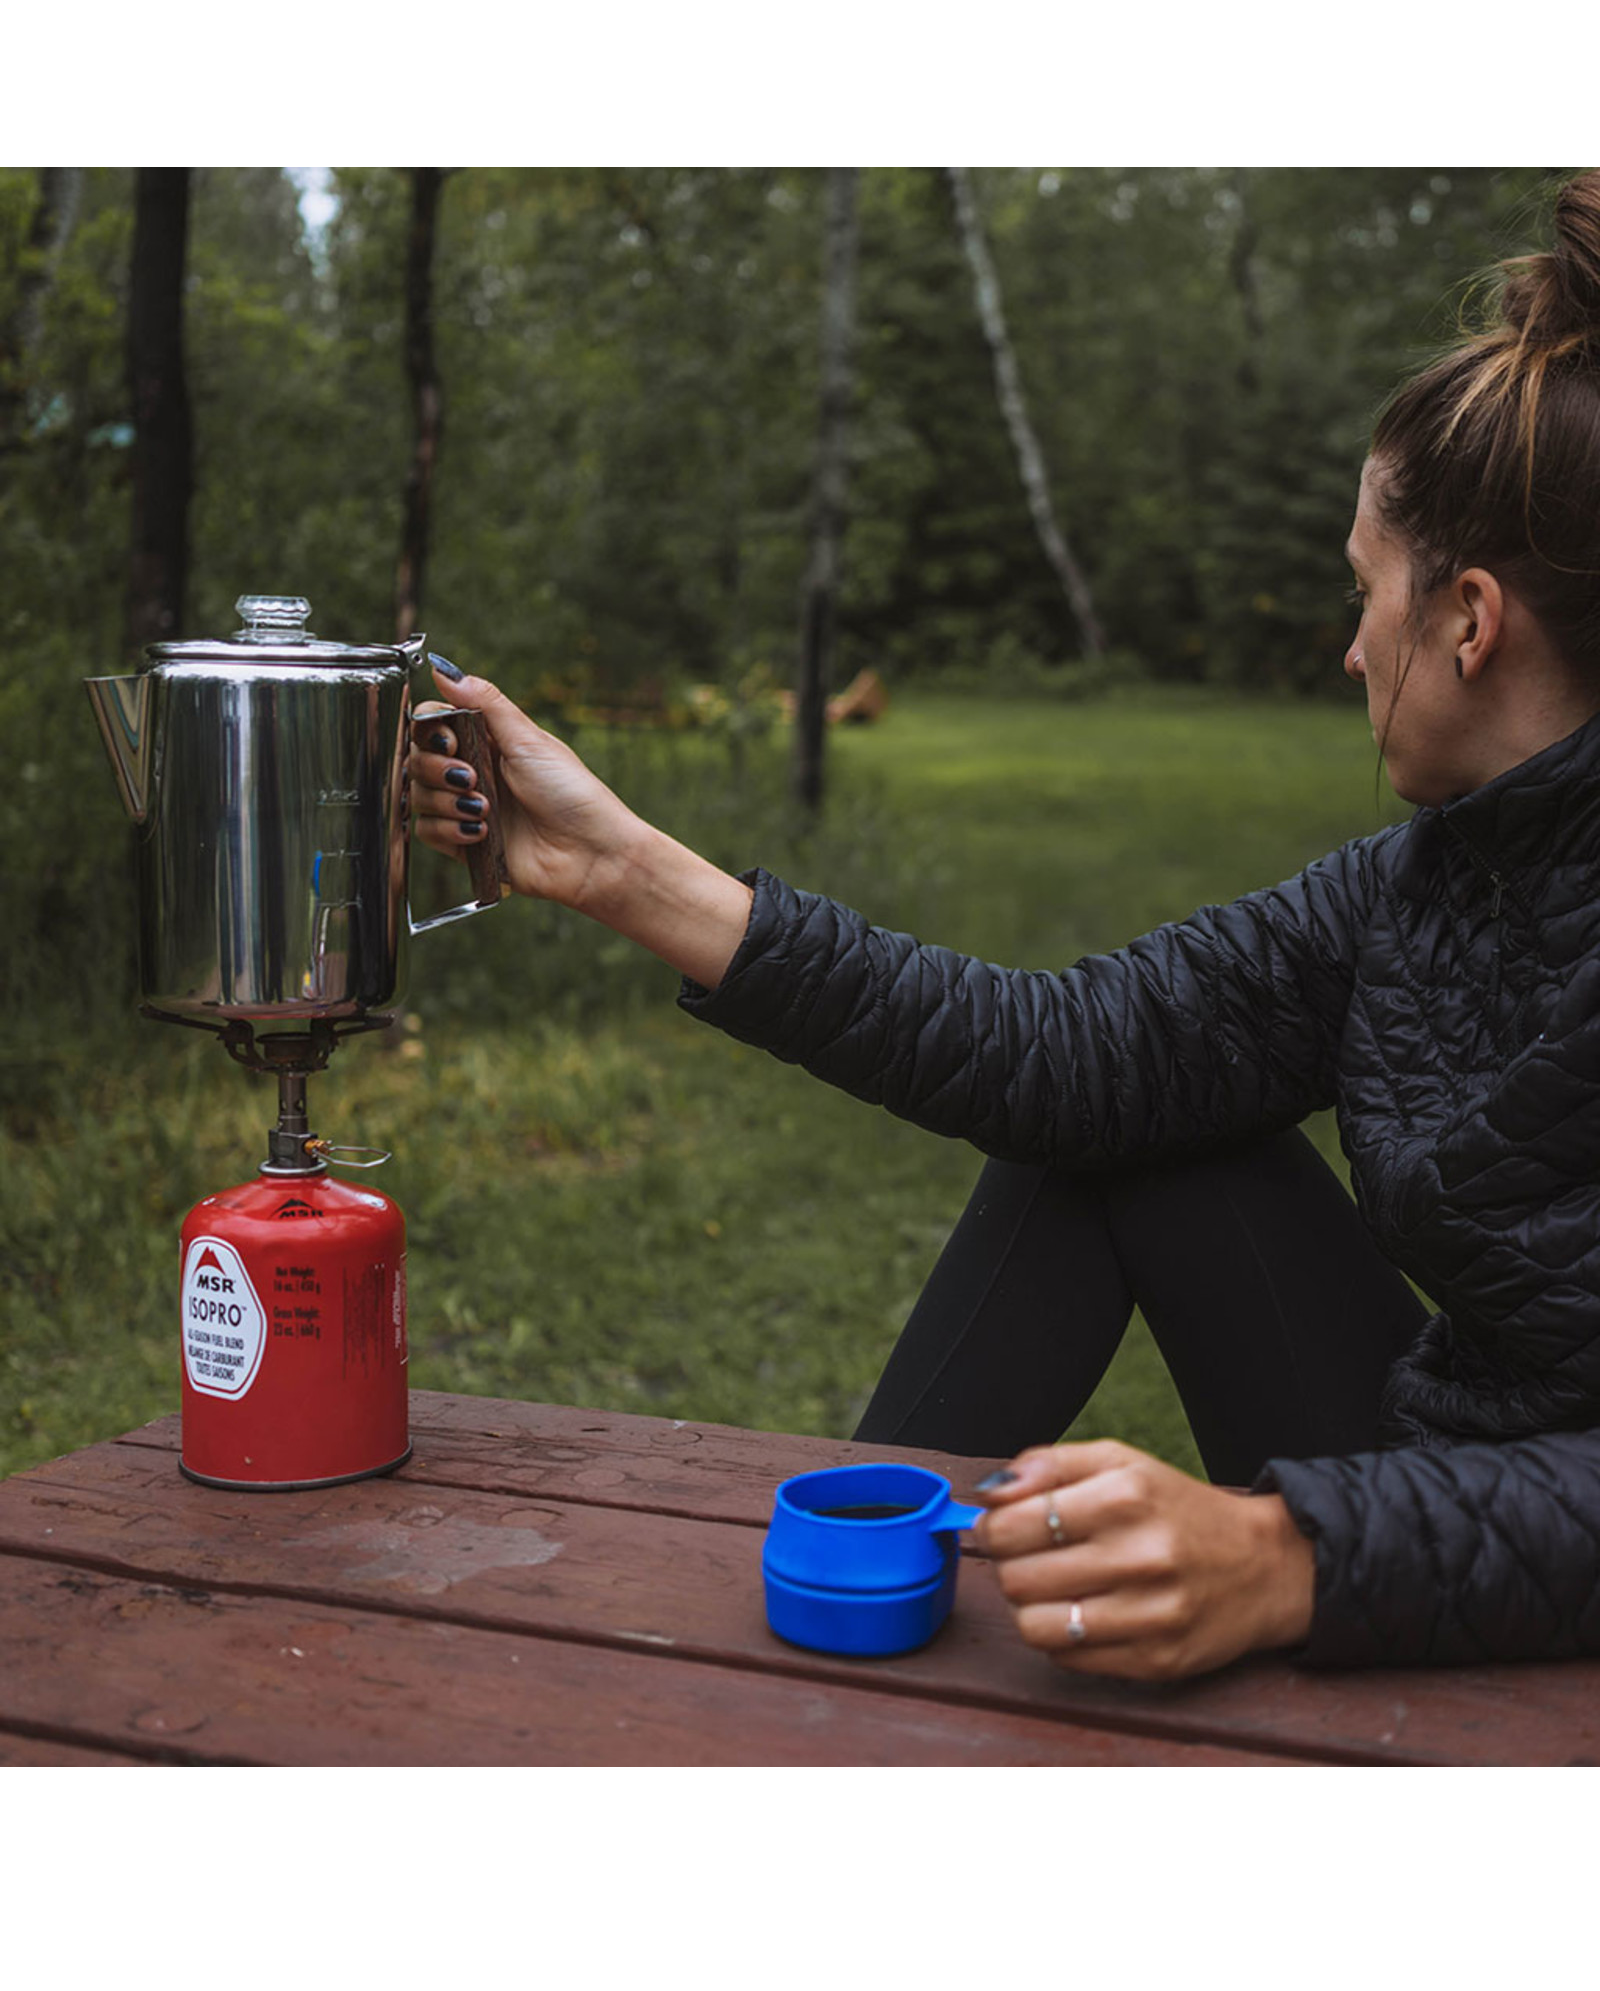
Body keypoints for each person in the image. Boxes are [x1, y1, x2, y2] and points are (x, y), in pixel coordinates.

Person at [409, 172, 1600, 1682]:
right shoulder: (1429, 881)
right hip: (1450, 1483)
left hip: (1519, 1574)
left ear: (1473, 622)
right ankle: (841, 1645)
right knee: (1114, 1119)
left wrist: (1289, 1554)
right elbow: (1064, 1055)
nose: (1351, 645)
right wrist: (620, 868)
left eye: (1367, 593)